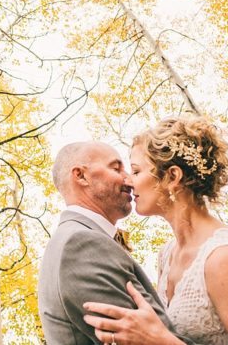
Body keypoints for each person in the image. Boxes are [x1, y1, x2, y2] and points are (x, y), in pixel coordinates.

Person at [82, 115, 228, 345]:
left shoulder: (226, 259)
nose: (128, 182)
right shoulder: (167, 256)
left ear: (172, 176)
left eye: (137, 171)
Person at [38, 141, 193, 344]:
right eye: (116, 168)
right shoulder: (82, 245)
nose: (128, 179)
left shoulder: (78, 240)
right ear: (81, 176)